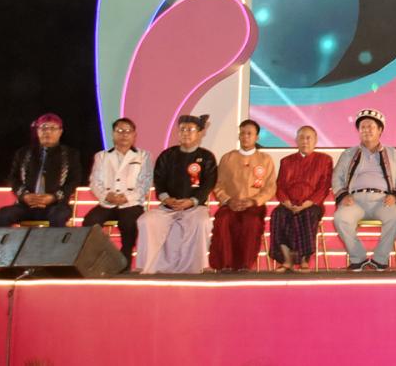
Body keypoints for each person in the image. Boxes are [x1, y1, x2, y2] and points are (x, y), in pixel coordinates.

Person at [134, 114, 218, 274]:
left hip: (194, 207)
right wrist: (166, 199)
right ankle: (148, 267)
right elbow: (159, 180)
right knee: (146, 220)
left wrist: (191, 201)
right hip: (168, 207)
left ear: (200, 133)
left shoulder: (207, 157)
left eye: (190, 129)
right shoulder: (167, 155)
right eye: (182, 129)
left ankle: (196, 268)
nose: (185, 133)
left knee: (202, 222)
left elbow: (208, 184)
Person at [332, 109, 396, 272]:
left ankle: (380, 260)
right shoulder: (348, 153)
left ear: (380, 130)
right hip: (355, 200)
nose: (366, 130)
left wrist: (395, 196)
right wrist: (343, 195)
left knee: (395, 216)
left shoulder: (393, 154)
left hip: (382, 200)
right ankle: (358, 258)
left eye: (371, 127)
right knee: (340, 218)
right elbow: (336, 178)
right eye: (363, 127)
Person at [82, 117, 153, 268]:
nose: (124, 135)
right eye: (119, 131)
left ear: (134, 135)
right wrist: (106, 195)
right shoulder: (102, 156)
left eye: (128, 131)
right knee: (90, 222)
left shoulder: (143, 156)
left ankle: (125, 260)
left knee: (129, 223)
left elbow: (145, 182)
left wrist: (127, 197)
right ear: (113, 134)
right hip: (107, 202)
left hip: (131, 203)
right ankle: (100, 258)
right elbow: (94, 181)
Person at [209, 120, 277, 272]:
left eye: (249, 134)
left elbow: (270, 187)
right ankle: (225, 264)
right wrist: (228, 200)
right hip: (230, 204)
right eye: (242, 133)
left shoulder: (265, 159)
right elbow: (218, 185)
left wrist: (253, 201)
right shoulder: (227, 158)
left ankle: (245, 265)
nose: (245, 137)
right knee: (223, 220)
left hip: (253, 206)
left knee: (251, 222)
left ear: (257, 137)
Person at [0, 113, 82, 228]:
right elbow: (13, 178)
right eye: (44, 128)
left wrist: (53, 197)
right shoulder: (23, 153)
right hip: (26, 205)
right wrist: (25, 196)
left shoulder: (70, 154)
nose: (48, 132)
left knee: (58, 215)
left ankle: (53, 241)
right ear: (37, 131)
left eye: (53, 128)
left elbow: (74, 180)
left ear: (60, 132)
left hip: (56, 205)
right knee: (3, 214)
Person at [270, 125, 333, 271]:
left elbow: (324, 186)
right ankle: (287, 260)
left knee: (307, 215)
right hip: (289, 204)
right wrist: (286, 202)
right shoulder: (286, 161)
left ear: (315, 140)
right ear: (296, 140)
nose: (305, 141)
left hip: (311, 204)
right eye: (301, 138)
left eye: (308, 138)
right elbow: (280, 185)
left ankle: (304, 260)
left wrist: (306, 204)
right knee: (278, 214)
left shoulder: (324, 160)